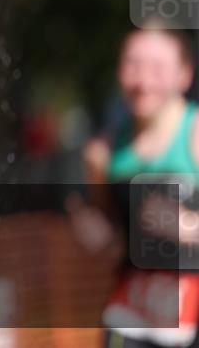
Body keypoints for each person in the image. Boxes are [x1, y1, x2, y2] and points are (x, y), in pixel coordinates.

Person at [70, 24, 198, 348]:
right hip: (131, 319)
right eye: (133, 64)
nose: (143, 81)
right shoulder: (102, 152)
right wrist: (95, 229)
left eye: (157, 68)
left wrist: (186, 228)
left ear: (184, 75)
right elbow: (113, 235)